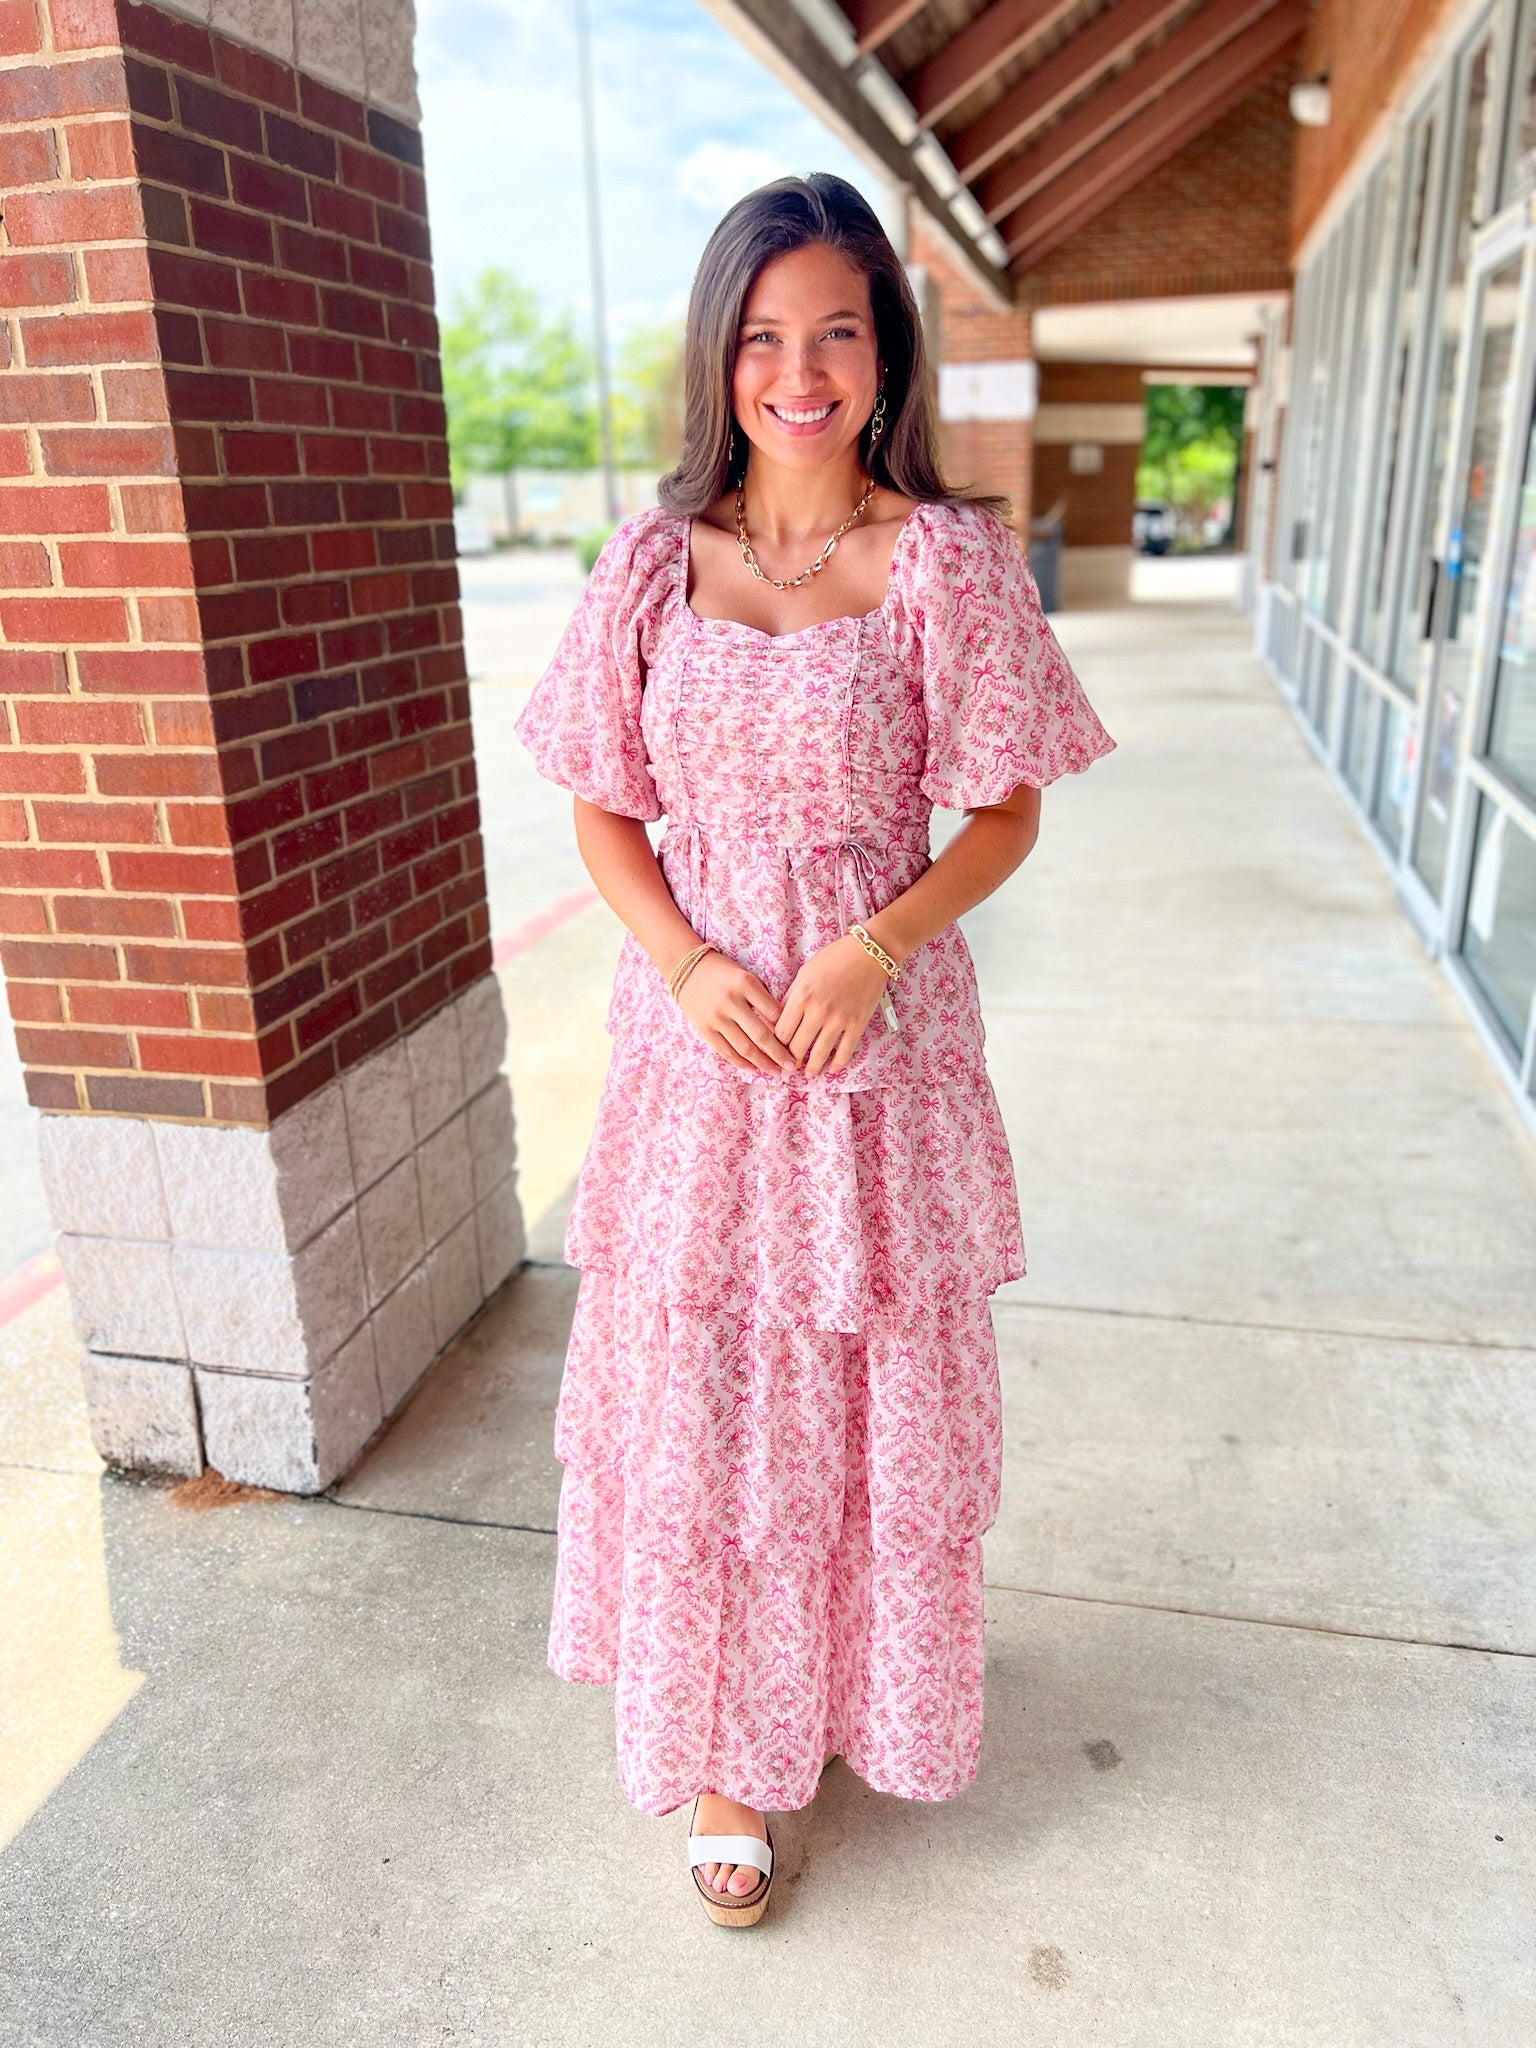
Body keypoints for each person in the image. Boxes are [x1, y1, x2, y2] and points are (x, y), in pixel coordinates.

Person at [514, 172, 1115, 1928]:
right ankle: (722, 1758)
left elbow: (999, 817)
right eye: (764, 336)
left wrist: (875, 945)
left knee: (861, 1404)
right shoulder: (650, 564)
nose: (800, 370)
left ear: (883, 351)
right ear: (721, 357)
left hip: (873, 1062)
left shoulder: (941, 561)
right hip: (697, 1065)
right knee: (708, 1392)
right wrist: (688, 959)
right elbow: (601, 815)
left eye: (835, 332)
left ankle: (842, 1700)